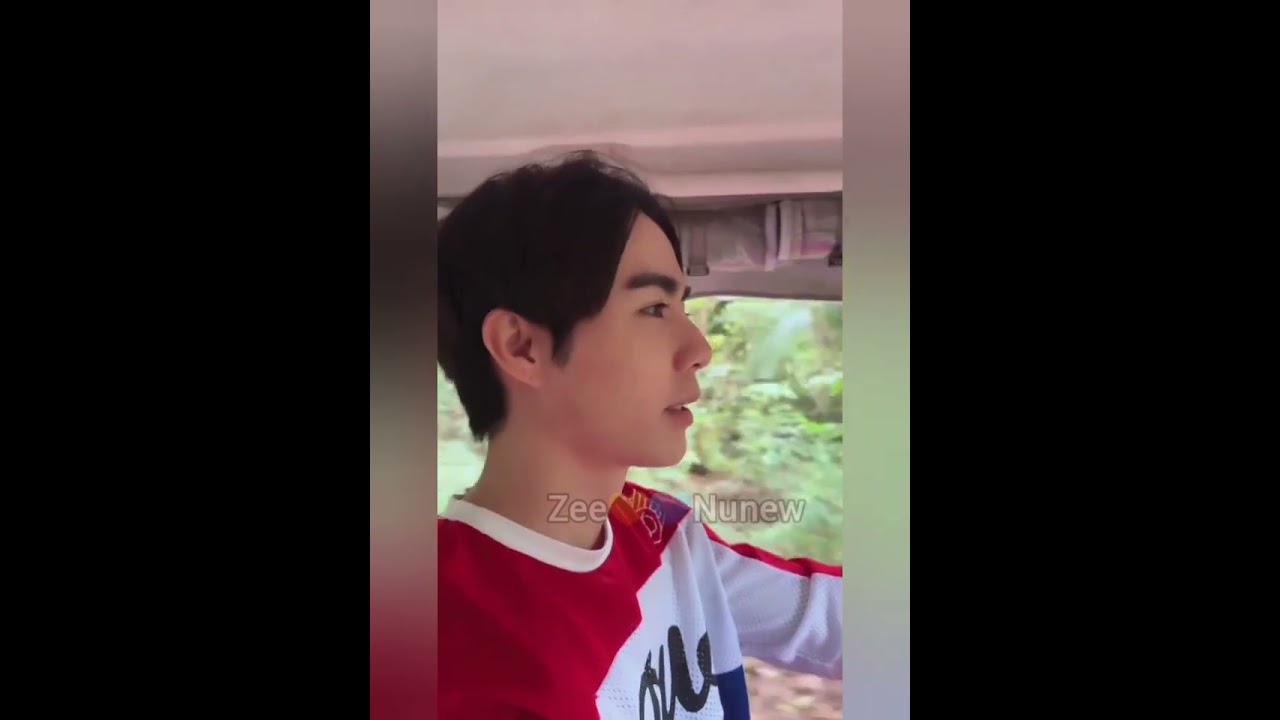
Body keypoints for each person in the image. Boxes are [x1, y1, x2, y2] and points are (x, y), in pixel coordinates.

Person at [437, 152, 842, 719]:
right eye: (654, 308)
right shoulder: (449, 645)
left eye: (682, 305)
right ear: (522, 347)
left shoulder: (655, 531)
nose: (700, 349)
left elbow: (831, 618)